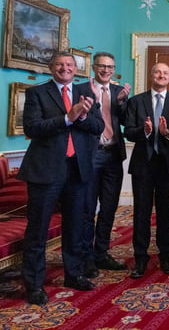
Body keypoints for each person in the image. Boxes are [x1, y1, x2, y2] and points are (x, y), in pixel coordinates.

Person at [19, 51, 104, 305]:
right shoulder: (37, 94)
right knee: (38, 230)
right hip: (46, 171)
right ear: (51, 68)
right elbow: (32, 128)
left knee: (75, 226)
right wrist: (68, 117)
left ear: (75, 69)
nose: (65, 68)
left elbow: (99, 127)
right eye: (59, 64)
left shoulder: (85, 93)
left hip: (77, 170)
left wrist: (84, 116)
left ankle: (73, 273)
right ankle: (34, 284)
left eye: (69, 64)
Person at [124, 63, 169, 279]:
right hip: (143, 165)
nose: (161, 75)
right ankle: (140, 258)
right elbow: (129, 133)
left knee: (165, 213)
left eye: (165, 73)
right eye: (158, 72)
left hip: (167, 166)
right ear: (151, 75)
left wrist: (167, 133)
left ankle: (166, 256)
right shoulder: (136, 101)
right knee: (141, 213)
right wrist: (144, 131)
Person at [82, 52, 131, 279]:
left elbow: (125, 120)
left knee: (109, 207)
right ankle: (86, 258)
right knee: (87, 208)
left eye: (110, 67)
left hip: (113, 155)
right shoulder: (81, 90)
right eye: (101, 66)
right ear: (94, 67)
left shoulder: (117, 91)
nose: (105, 70)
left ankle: (101, 253)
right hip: (90, 155)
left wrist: (122, 101)